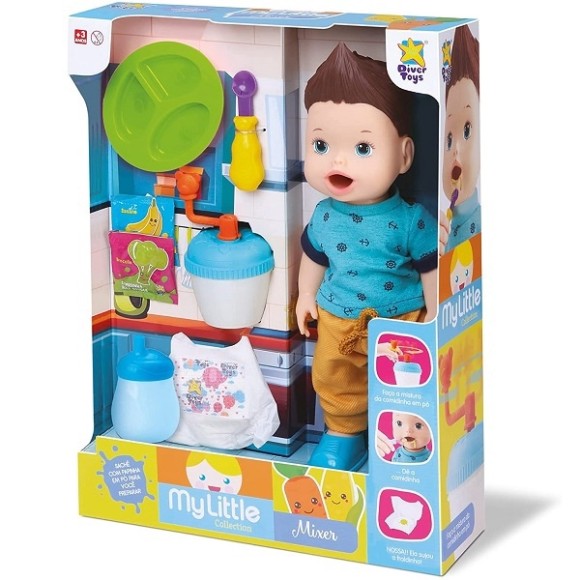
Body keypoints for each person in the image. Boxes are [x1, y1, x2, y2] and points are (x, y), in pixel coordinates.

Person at [296, 43, 437, 471]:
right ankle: (342, 435)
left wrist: (436, 312)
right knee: (333, 378)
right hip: (337, 317)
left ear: (404, 155)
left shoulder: (411, 220)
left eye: (362, 148)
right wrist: (305, 296)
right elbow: (314, 257)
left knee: (403, 385)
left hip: (401, 320)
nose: (337, 160)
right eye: (321, 144)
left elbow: (430, 266)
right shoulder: (324, 215)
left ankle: (403, 437)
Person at [439, 25, 481, 255]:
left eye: (467, 131)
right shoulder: (441, 226)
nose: (455, 149)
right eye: (448, 139)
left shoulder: (481, 222)